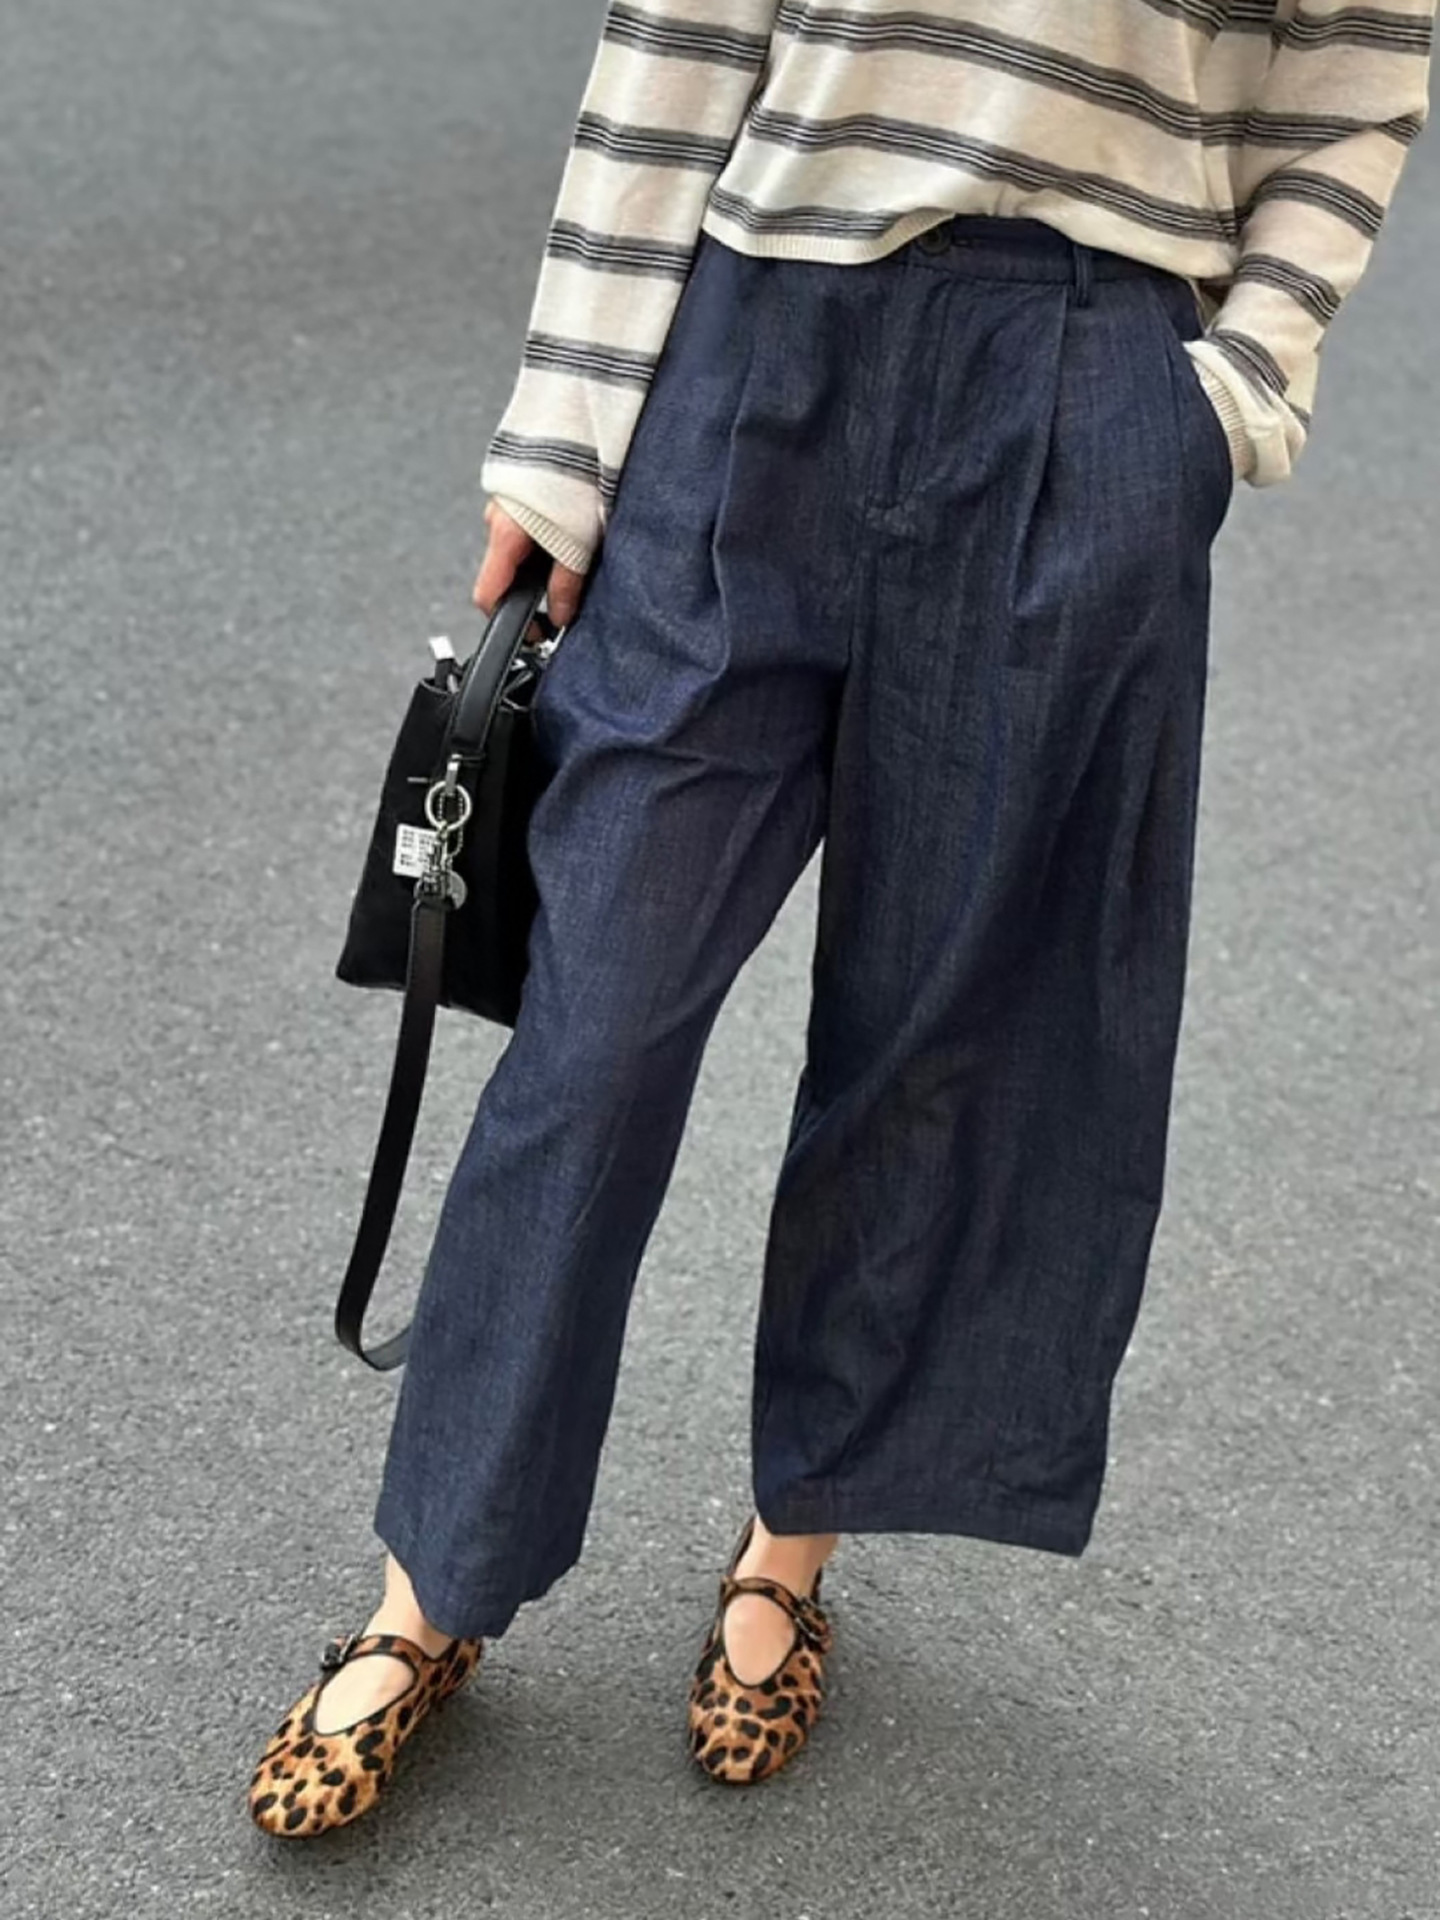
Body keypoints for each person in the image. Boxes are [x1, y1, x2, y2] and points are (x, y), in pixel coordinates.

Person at [249, 0, 1435, 1836]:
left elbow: (1356, 58)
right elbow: (684, 34)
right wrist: (563, 441)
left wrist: (1236, 383)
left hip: (1087, 369)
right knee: (600, 1012)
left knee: (936, 1021)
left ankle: (791, 1542)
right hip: (761, 336)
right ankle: (435, 1584)